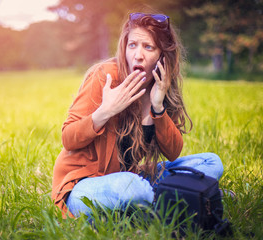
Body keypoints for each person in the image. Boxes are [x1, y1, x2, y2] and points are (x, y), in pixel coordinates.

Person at [51, 11, 223, 218]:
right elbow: (68, 138)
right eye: (132, 45)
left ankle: (167, 197)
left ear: (162, 56)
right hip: (83, 186)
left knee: (210, 163)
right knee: (134, 188)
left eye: (148, 47)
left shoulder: (161, 85)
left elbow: (174, 152)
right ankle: (186, 196)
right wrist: (105, 111)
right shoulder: (105, 77)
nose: (138, 55)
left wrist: (157, 106)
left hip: (131, 176)